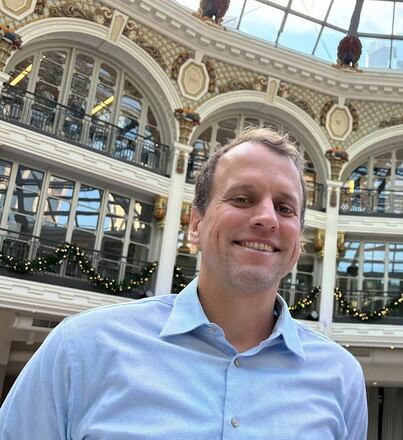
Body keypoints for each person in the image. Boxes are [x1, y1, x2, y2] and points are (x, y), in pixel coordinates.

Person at [0, 128, 368, 439]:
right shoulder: (81, 349)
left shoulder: (339, 376)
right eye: (243, 198)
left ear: (298, 241)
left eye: (285, 208)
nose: (267, 218)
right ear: (195, 225)